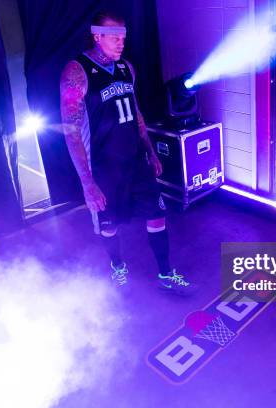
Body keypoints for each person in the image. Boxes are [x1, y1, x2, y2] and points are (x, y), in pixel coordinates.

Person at [60, 11, 197, 295]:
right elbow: (71, 131)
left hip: (136, 160)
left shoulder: (126, 68)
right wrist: (87, 183)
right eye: (114, 36)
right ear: (97, 35)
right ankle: (117, 266)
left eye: (123, 36)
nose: (121, 42)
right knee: (110, 225)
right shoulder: (76, 72)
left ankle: (165, 273)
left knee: (157, 215)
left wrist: (150, 151)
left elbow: (135, 113)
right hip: (104, 167)